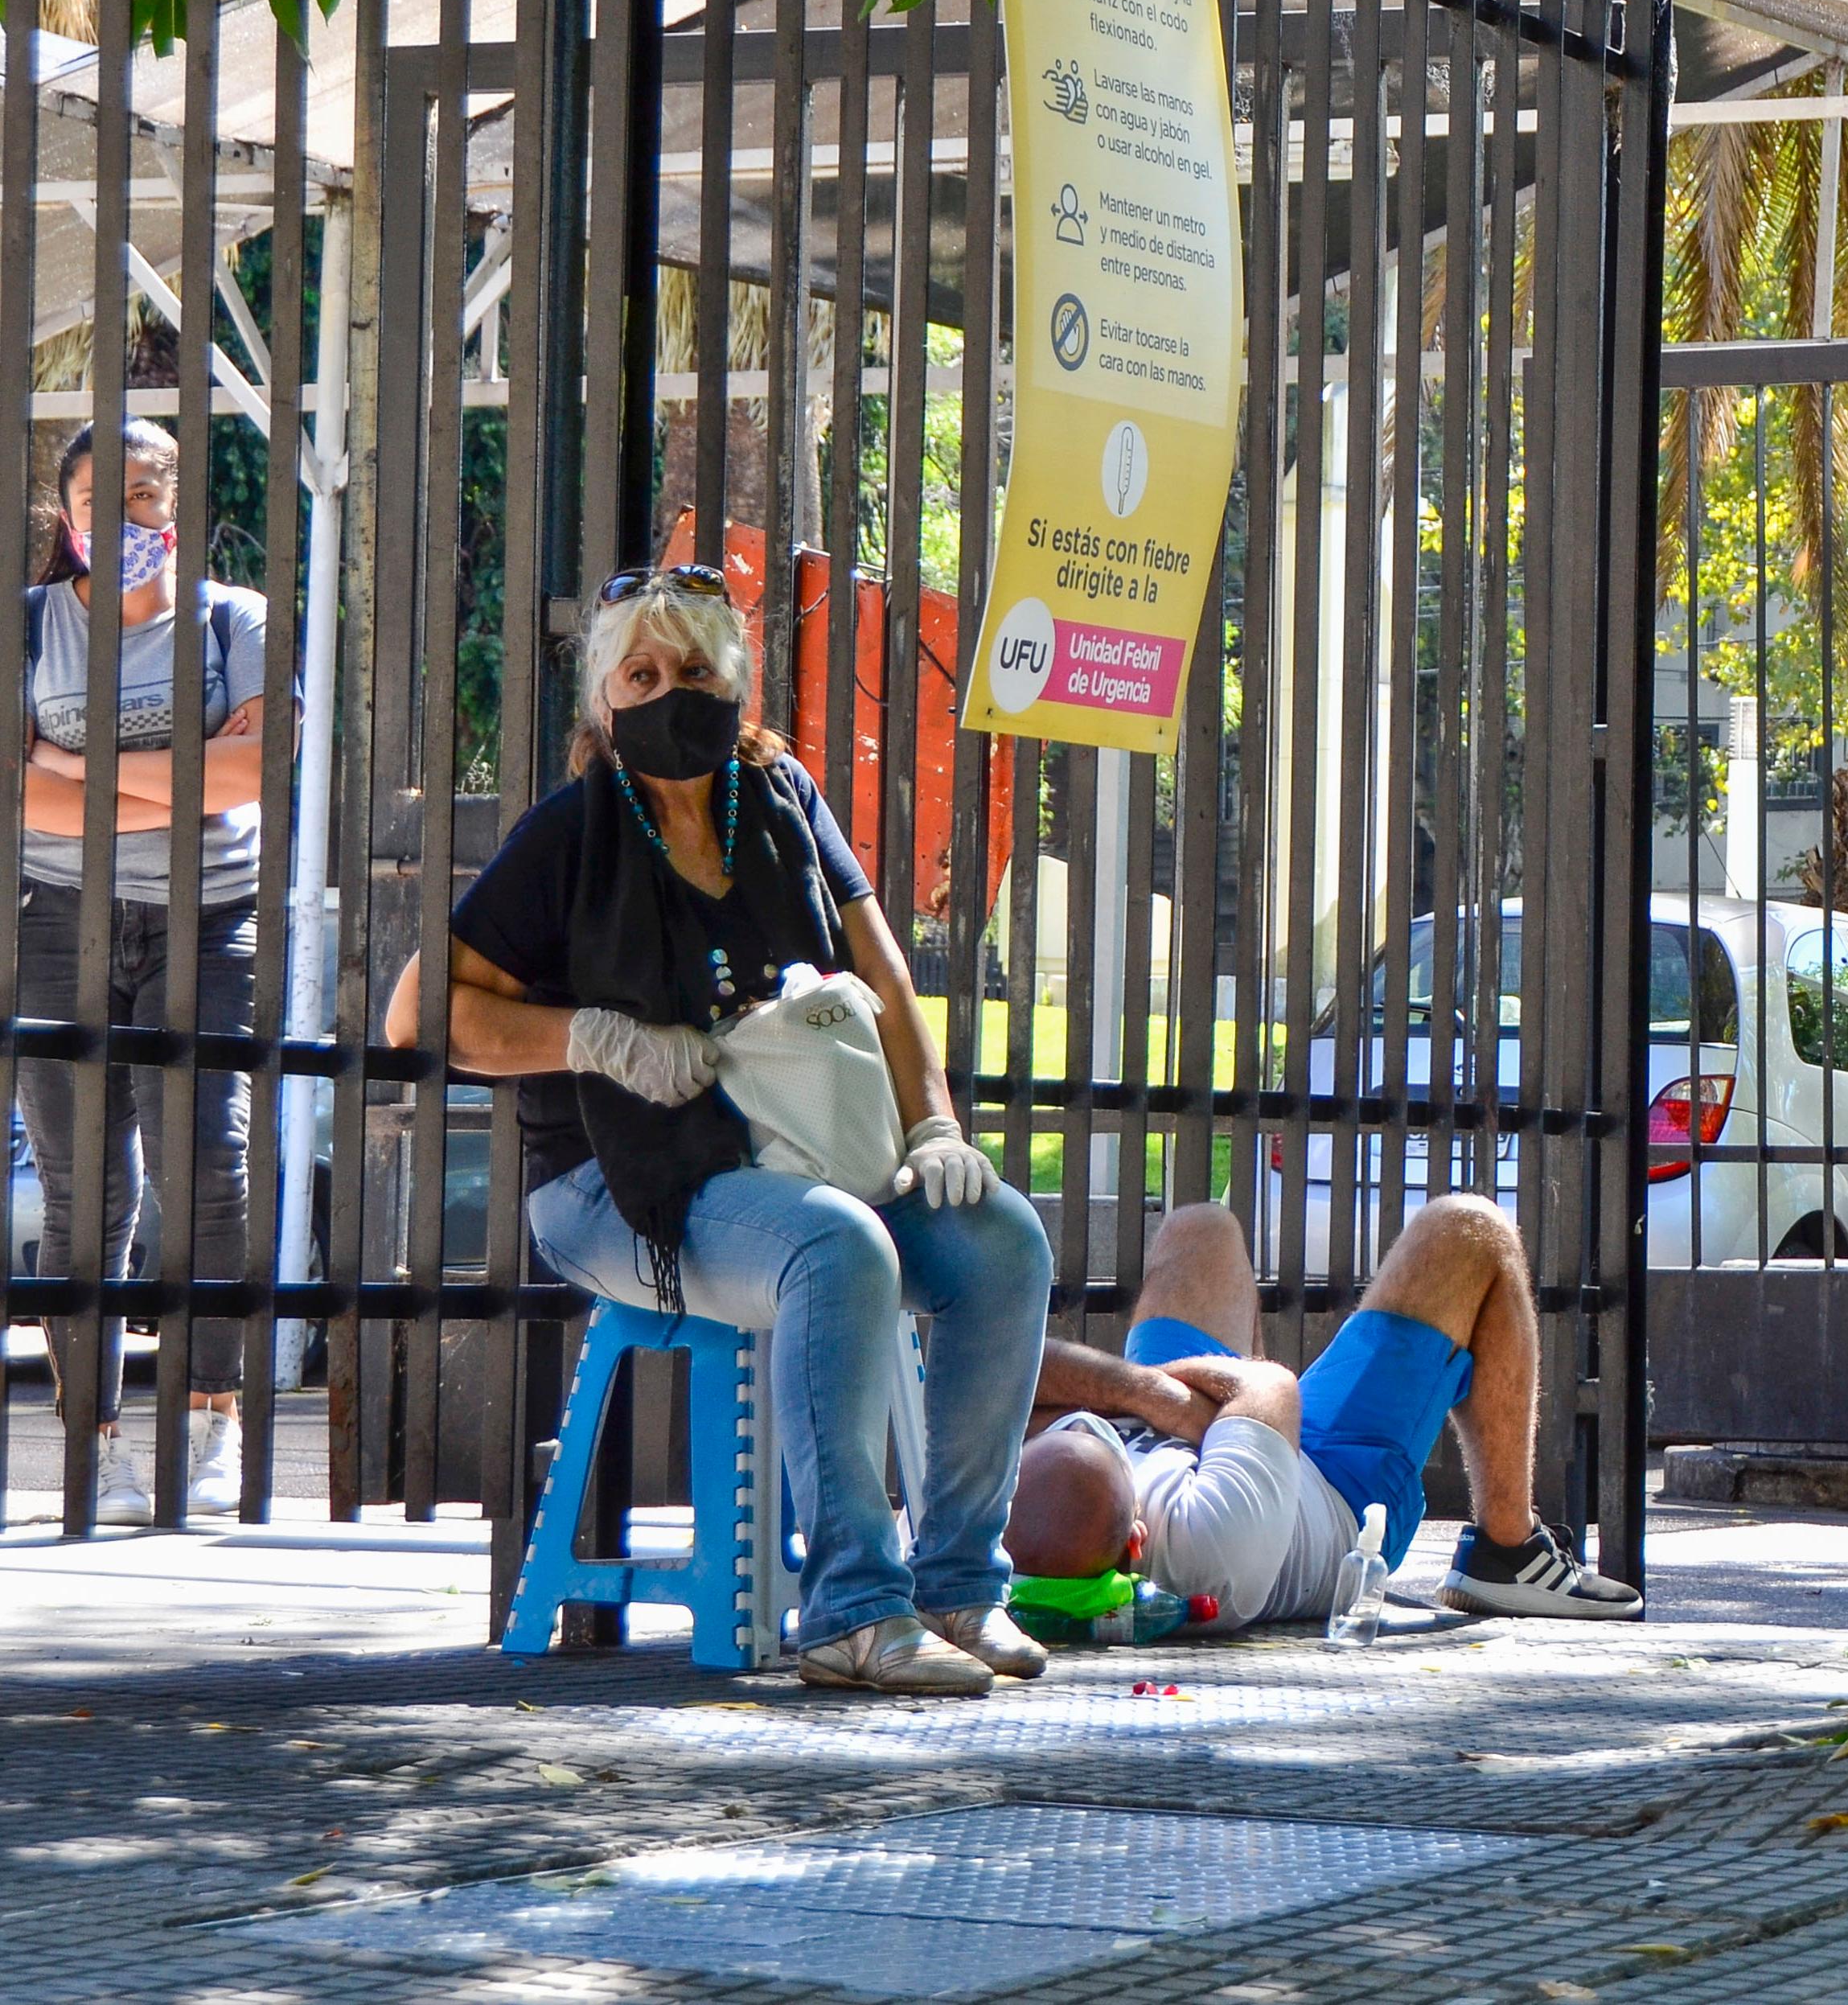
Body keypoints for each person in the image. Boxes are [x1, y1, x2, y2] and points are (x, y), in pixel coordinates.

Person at [386, 567, 1055, 1695]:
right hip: (620, 1183)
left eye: (694, 669)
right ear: (605, 701)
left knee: (1002, 1241)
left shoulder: (783, 799)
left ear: (737, 685)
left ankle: (957, 1584)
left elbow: (884, 978)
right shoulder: (570, 837)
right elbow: (425, 1012)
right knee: (834, 1245)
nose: (669, 691)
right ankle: (852, 1608)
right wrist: (596, 1037)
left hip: (802, 1151)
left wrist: (934, 1123)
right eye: (642, 673)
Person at [16, 417, 273, 1525]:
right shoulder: (31, 625)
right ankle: (97, 1450)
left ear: (178, 508)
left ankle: (212, 1419)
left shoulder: (234, 619)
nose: (122, 518)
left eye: (146, 496)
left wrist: (80, 767)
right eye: (97, 499)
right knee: (84, 1191)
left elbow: (258, 767)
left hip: (205, 915)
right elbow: (17, 796)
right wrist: (183, 775)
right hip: (57, 915)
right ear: (65, 515)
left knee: (208, 1163)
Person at [1007, 1197, 1642, 1627]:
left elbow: (1014, 1370)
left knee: (1200, 1230)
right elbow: (1267, 1387)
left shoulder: (997, 1510)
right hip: (1331, 1485)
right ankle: (1509, 1552)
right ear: (1136, 1539)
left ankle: (1229, 1435)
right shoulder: (1208, 1552)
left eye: (1080, 1426)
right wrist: (1151, 1397)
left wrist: (1140, 1404)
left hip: (1227, 1432)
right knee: (1470, 1230)